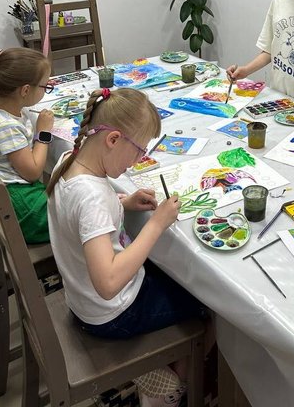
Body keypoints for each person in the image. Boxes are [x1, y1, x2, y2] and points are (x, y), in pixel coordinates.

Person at [46, 87, 209, 406]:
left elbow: (80, 216)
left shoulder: (69, 160)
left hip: (81, 299)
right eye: (138, 151)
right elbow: (108, 283)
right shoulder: (91, 197)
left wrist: (122, 202)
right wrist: (156, 224)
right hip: (112, 314)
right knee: (208, 301)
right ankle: (167, 391)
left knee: (174, 277)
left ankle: (158, 369)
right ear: (113, 139)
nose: (137, 162)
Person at [0, 47, 54, 243]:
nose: (46, 90)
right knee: (81, 216)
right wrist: (43, 133)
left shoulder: (7, 112)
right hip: (23, 206)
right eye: (45, 86)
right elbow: (33, 172)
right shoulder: (6, 127)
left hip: (21, 194)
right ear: (25, 90)